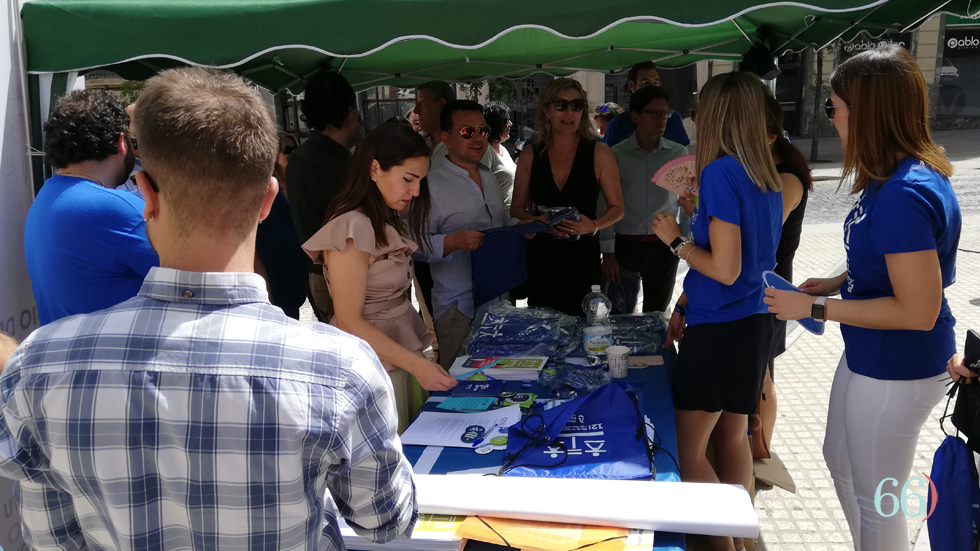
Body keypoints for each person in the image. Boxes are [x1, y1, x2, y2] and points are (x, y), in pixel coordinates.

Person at [0, 67, 417, 551]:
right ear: (267, 200)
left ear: (145, 194)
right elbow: (386, 523)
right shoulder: (340, 368)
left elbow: (50, 539)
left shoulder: (37, 368)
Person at [765, 46, 961, 551]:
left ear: (866, 113)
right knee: (843, 462)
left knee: (880, 500)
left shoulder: (902, 192)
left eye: (834, 108)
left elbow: (917, 311)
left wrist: (813, 308)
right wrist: (835, 283)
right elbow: (894, 264)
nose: (831, 120)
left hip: (899, 366)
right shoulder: (893, 178)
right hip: (872, 355)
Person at [652, 71, 782, 551]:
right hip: (750, 324)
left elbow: (724, 268)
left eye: (700, 107)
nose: (694, 116)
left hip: (722, 328)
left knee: (688, 453)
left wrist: (676, 241)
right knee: (732, 439)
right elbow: (742, 261)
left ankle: (724, 545)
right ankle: (744, 542)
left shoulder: (722, 172)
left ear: (717, 115)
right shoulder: (762, 172)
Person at [303, 122, 456, 432]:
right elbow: (349, 321)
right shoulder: (351, 226)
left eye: (419, 182)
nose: (415, 191)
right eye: (408, 179)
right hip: (372, 367)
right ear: (374, 168)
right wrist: (417, 365)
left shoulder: (381, 218)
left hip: (397, 360)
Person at [24, 90, 158, 326]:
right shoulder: (116, 208)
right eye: (132, 141)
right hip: (117, 357)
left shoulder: (46, 196)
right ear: (121, 143)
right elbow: (202, 274)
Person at [510, 78, 624, 316]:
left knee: (587, 330)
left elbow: (617, 208)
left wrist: (592, 226)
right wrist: (541, 222)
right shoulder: (530, 154)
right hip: (542, 260)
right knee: (545, 332)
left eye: (577, 105)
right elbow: (517, 208)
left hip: (584, 260)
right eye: (561, 105)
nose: (570, 112)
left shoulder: (599, 152)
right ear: (546, 110)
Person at [415, 100, 513, 367]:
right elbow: (413, 245)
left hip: (497, 302)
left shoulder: (489, 177)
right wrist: (450, 242)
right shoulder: (431, 185)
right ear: (446, 138)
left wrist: (519, 229)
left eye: (483, 130)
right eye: (468, 132)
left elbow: (499, 227)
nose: (478, 138)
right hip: (458, 308)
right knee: (456, 385)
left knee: (496, 380)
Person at [600, 86, 688, 314]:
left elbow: (687, 201)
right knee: (620, 314)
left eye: (665, 113)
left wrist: (685, 241)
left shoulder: (678, 153)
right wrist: (608, 253)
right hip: (625, 246)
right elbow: (605, 204)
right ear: (636, 116)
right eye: (655, 113)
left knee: (657, 314)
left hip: (665, 246)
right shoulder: (616, 155)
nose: (662, 119)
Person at [286, 68, 363, 323]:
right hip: (339, 276)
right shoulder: (334, 167)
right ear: (349, 114)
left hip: (322, 274)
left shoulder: (302, 157)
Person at [255, 132, 308, 320]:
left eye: (296, 149)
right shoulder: (263, 189)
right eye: (288, 150)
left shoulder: (298, 182)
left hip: (297, 264)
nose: (294, 154)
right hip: (273, 265)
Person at [604, 62, 690, 147]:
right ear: (631, 85)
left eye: (656, 83)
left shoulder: (673, 119)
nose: (652, 87)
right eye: (646, 82)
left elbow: (682, 157)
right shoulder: (618, 124)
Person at [484, 100, 517, 210]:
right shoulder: (486, 151)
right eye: (506, 121)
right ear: (496, 124)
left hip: (510, 218)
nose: (511, 124)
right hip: (499, 221)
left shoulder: (503, 149)